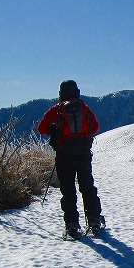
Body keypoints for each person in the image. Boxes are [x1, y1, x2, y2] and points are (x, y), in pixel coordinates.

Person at [38, 80, 104, 240]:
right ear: (77, 92)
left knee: (67, 190)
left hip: (64, 155)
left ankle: (72, 225)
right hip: (83, 154)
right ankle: (94, 221)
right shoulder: (84, 108)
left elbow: (41, 128)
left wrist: (55, 129)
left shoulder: (56, 110)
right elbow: (95, 127)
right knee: (87, 187)